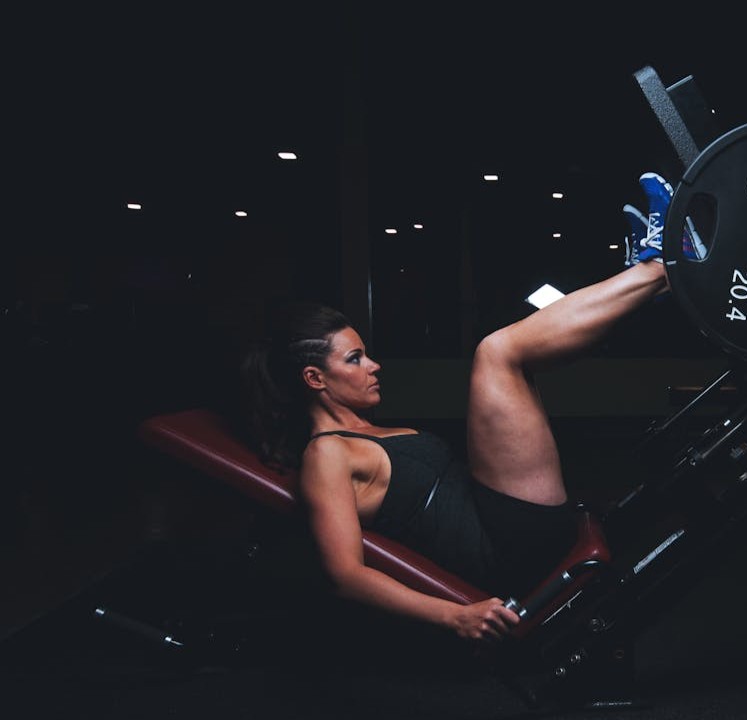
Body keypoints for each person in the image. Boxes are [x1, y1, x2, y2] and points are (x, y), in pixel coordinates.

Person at [238, 172, 704, 645]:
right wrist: (453, 616)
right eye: (355, 359)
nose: (374, 366)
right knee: (496, 353)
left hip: (504, 522)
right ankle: (657, 267)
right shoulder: (326, 456)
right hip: (506, 549)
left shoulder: (364, 432)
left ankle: (649, 282)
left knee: (518, 362)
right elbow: (344, 575)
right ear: (314, 379)